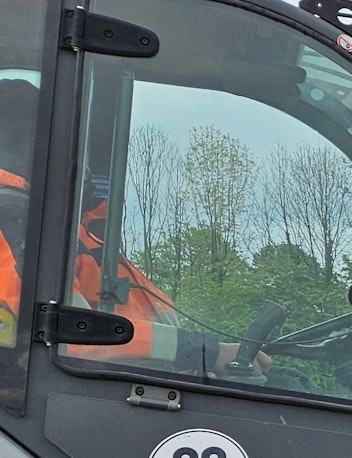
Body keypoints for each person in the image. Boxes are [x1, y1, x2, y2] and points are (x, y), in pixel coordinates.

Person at [0, 77, 266, 374]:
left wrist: (189, 363)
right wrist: (203, 352)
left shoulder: (71, 232)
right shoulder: (15, 222)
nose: (87, 166)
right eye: (77, 148)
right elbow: (71, 338)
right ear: (32, 148)